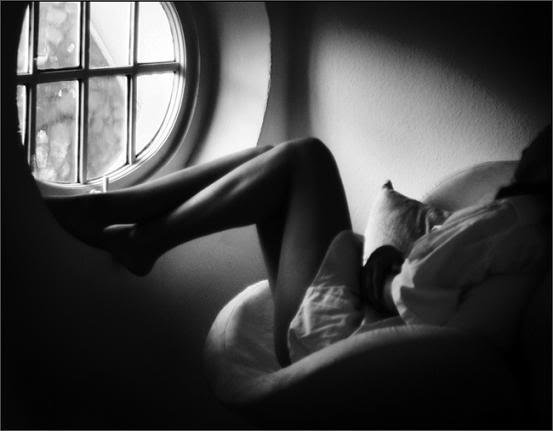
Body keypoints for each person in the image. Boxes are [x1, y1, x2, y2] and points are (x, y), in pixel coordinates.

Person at [46, 126, 551, 366]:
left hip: (338, 347)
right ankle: (128, 223)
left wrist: (384, 268)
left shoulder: (513, 220)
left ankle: (133, 229)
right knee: (270, 159)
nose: (531, 145)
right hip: (350, 342)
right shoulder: (526, 226)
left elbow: (415, 288)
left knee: (305, 158)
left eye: (542, 143)